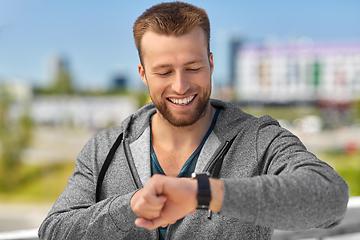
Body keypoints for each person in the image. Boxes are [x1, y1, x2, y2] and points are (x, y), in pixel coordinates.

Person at [38, 2, 349, 240]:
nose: (180, 85)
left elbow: (330, 199)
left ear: (211, 63)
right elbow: (53, 230)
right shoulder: (104, 147)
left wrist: (203, 194)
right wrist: (131, 206)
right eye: (163, 72)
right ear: (143, 74)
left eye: (193, 67)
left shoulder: (259, 139)